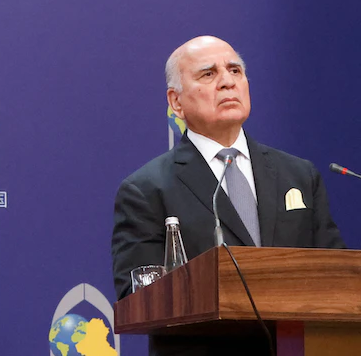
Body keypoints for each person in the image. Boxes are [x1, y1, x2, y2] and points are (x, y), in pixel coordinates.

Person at [111, 35, 345, 356]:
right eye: (208, 74)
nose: (227, 82)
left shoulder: (299, 174)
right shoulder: (147, 189)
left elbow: (336, 277)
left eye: (235, 70)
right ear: (176, 102)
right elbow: (137, 296)